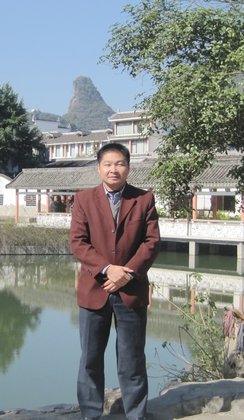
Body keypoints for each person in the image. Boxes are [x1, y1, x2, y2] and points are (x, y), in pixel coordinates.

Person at [69, 143, 161, 420]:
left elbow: (151, 242)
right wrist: (108, 270)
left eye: (119, 164)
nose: (114, 169)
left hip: (131, 290)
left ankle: (136, 414)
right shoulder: (84, 199)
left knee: (132, 359)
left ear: (128, 168)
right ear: (99, 168)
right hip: (94, 289)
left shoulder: (143, 199)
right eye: (108, 164)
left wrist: (127, 273)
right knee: (90, 359)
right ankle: (91, 414)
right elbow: (78, 243)